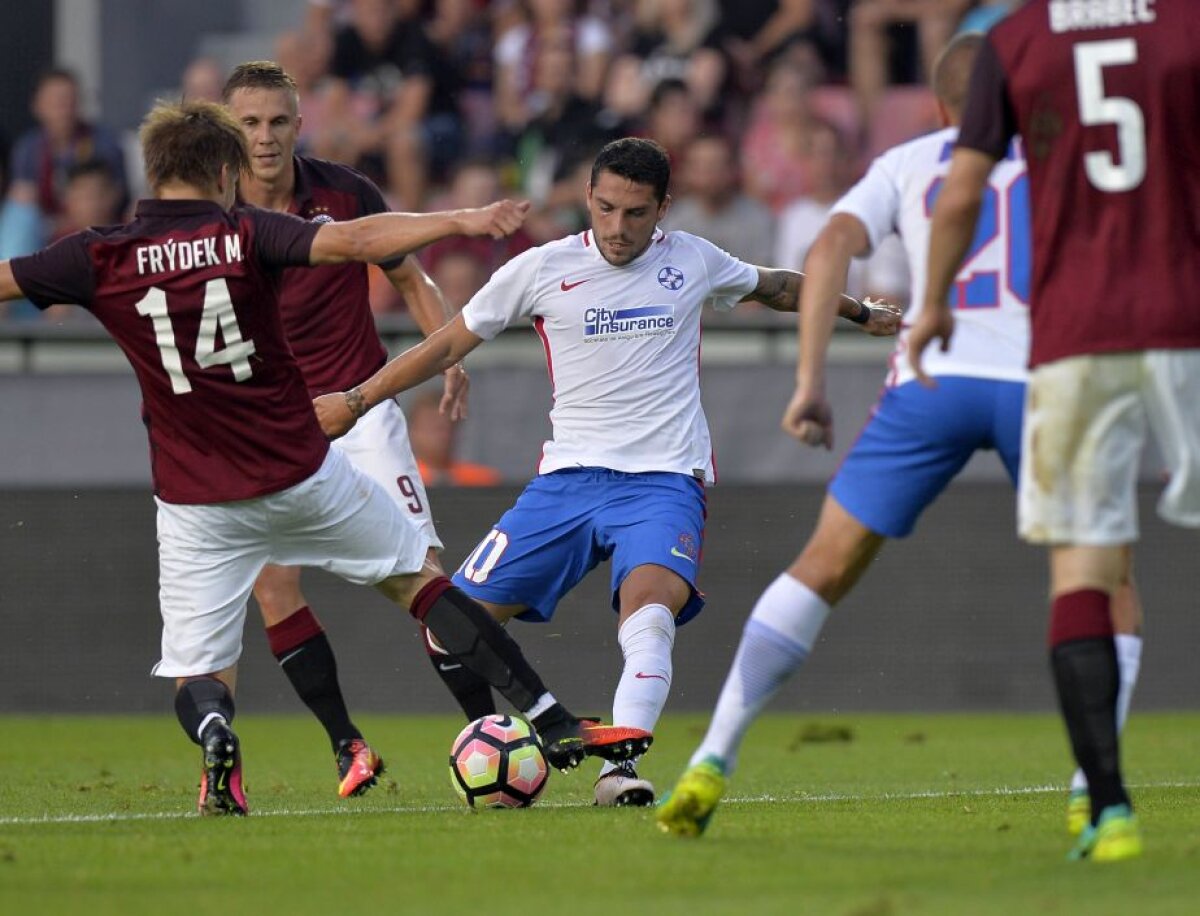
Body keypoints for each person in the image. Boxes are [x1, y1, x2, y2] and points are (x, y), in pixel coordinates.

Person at [0, 100, 651, 817]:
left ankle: (217, 736)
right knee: (419, 583)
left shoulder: (99, 254)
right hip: (297, 469)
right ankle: (551, 716)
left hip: (194, 499)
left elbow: (7, 279)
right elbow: (354, 242)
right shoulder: (245, 232)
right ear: (224, 170)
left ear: (153, 172)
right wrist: (459, 220)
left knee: (198, 669)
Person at [655, 31, 1147, 841]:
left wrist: (810, 377)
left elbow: (829, 248)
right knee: (1105, 585)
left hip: (932, 379)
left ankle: (713, 755)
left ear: (941, 106)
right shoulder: (1067, 158)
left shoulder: (908, 162)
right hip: (1047, 384)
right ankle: (1094, 792)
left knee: (823, 566)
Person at [313, 137, 901, 807]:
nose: (619, 229)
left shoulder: (693, 260)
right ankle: (513, 732)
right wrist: (359, 400)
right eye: (605, 208)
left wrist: (859, 311)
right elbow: (447, 340)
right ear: (588, 199)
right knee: (448, 625)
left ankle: (618, 774)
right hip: (566, 482)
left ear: (662, 210)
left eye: (636, 213)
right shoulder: (542, 268)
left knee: (647, 615)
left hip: (662, 482)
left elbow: (778, 286)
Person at [912, 0, 1199, 863]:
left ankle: (1108, 810)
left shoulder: (1014, 41)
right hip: (1189, 314)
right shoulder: (1187, 24)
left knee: (1082, 565)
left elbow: (963, 189)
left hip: (1078, 333)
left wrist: (932, 302)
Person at [222, 59, 473, 798]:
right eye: (249, 123)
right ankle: (347, 747)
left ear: (299, 125)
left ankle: (488, 725)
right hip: (272, 428)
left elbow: (409, 277)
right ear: (228, 130)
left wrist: (449, 350)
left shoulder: (344, 193)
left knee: (424, 573)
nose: (265, 138)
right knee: (273, 585)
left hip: (358, 411)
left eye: (276, 122)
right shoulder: (210, 214)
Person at [408, 388, 502, 487]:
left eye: (449, 424)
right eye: (431, 423)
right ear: (412, 430)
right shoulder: (402, 481)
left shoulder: (483, 480)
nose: (442, 432)